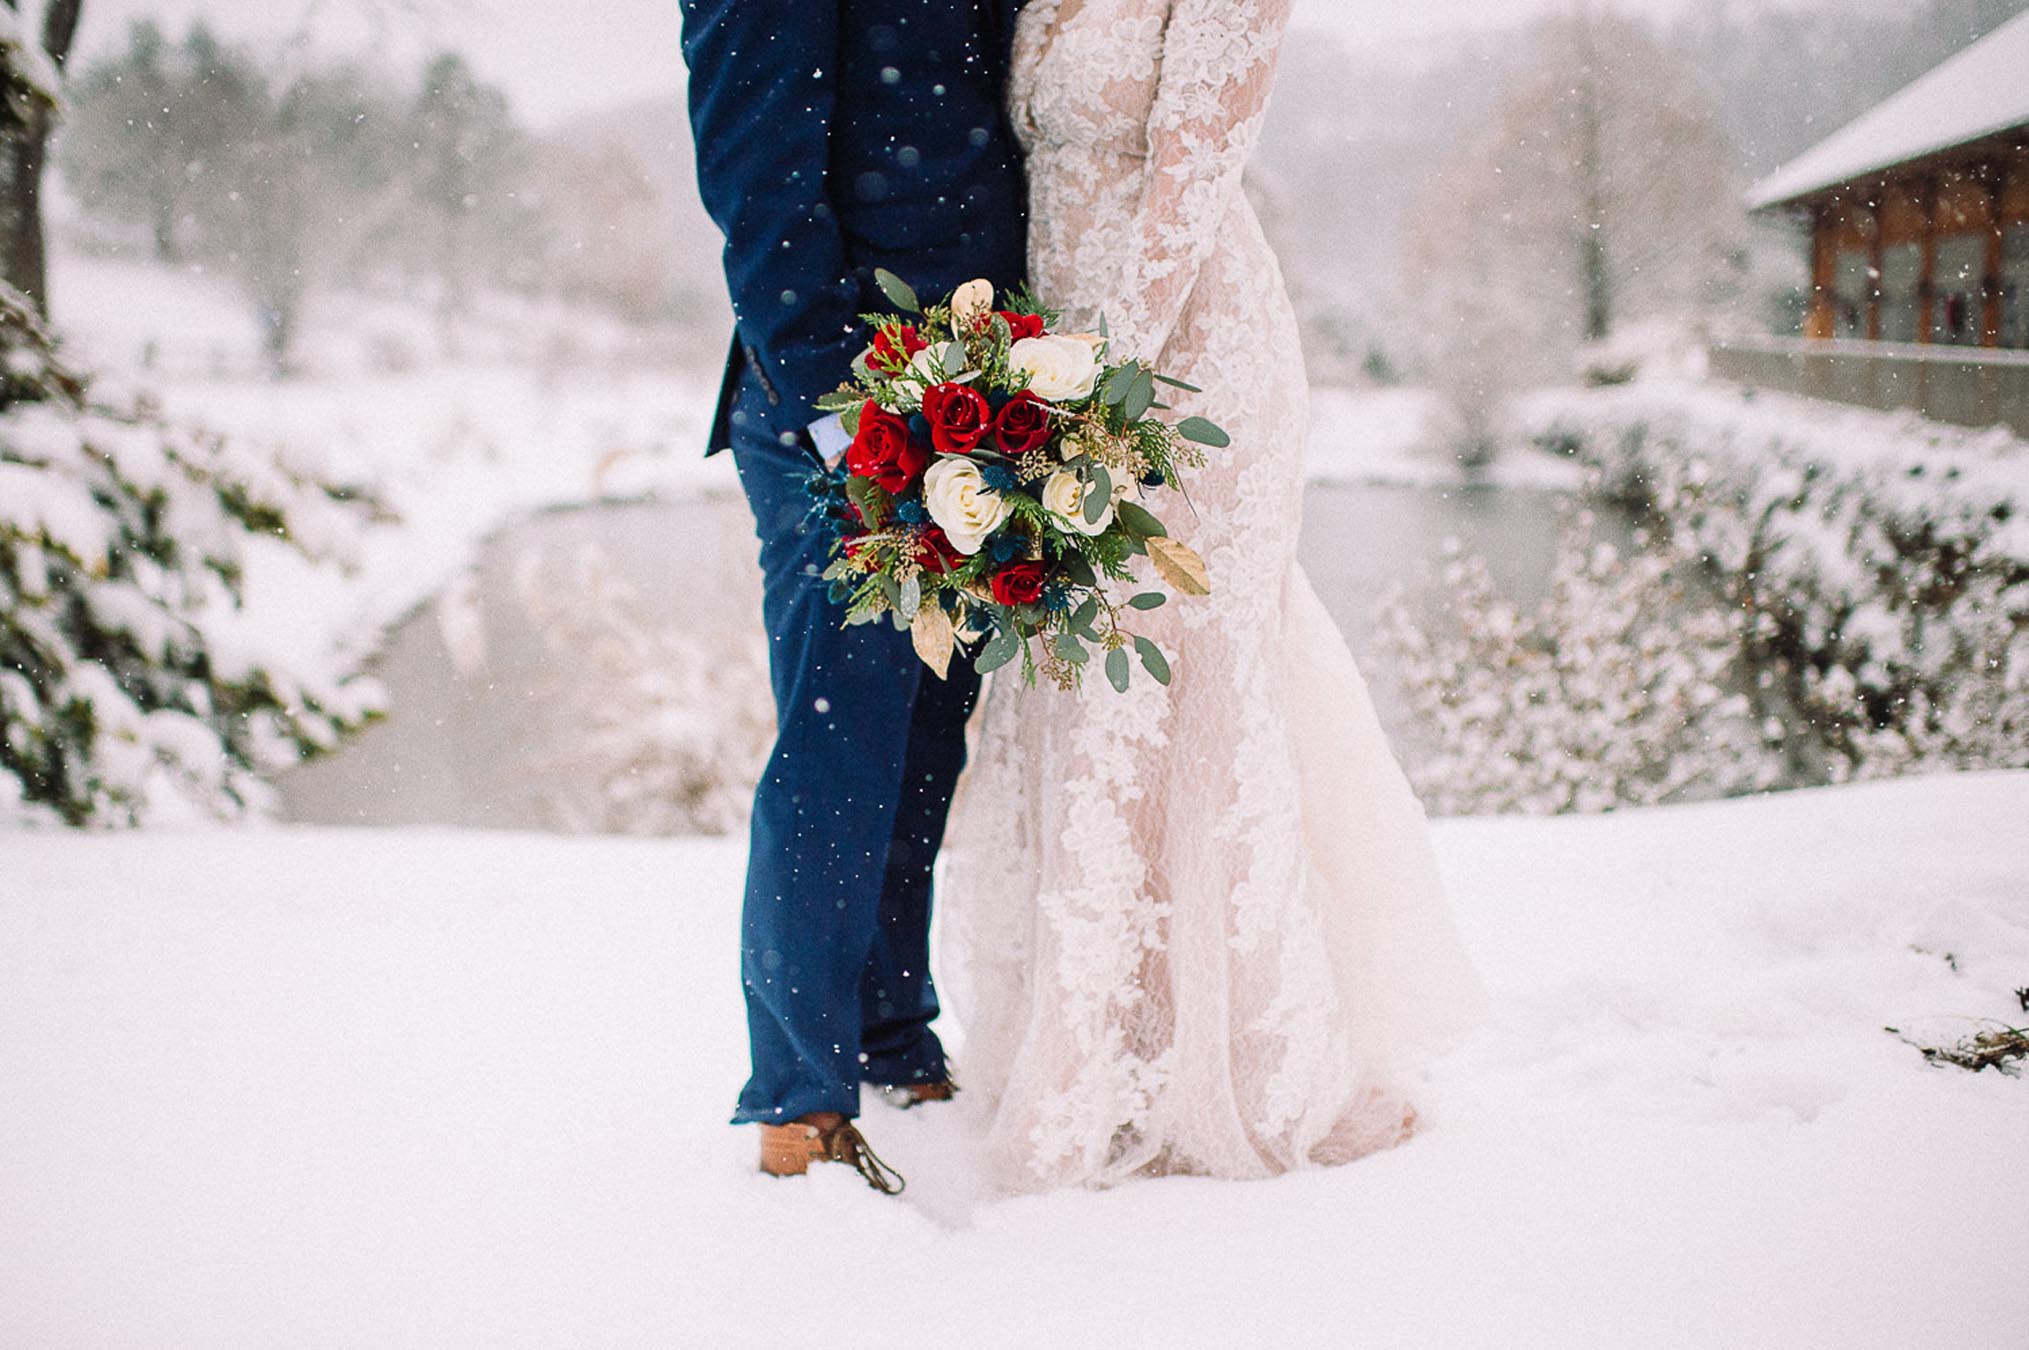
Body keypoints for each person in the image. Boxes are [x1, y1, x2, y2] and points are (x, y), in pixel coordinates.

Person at [940, 0, 1486, 1190]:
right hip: (1061, 350)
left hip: (1182, 360)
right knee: (1078, 679)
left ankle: (1235, 1059)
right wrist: (1027, 368)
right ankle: (1104, 1038)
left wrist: (1095, 390)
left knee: (1186, 673)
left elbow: (1191, 173)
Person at [678, 0, 1029, 1190]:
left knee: (928, 728)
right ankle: (797, 1099)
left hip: (979, 391)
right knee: (839, 736)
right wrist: (847, 411)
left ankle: (890, 1032)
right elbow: (752, 176)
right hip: (841, 402)